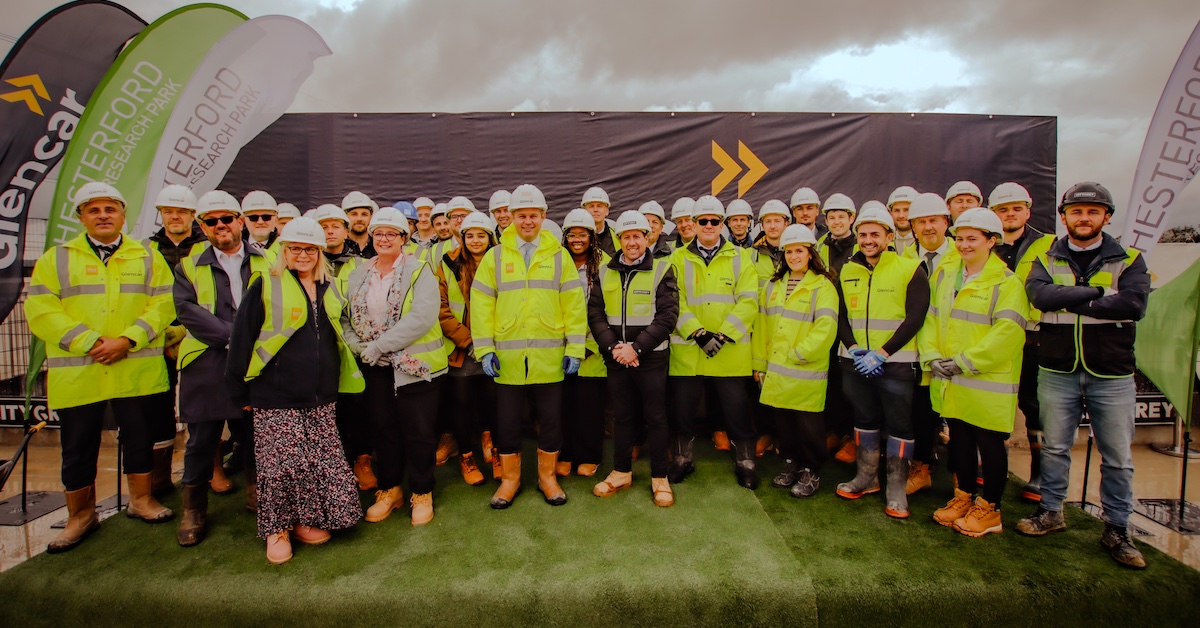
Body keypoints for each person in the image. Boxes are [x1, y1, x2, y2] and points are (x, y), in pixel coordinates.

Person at [26, 182, 177, 553]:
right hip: (81, 371)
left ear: (123, 215)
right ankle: (81, 515)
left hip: (133, 368)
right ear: (81, 217)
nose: (103, 216)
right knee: (77, 444)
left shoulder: (147, 256)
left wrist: (127, 340)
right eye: (93, 210)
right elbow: (41, 311)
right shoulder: (57, 258)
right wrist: (90, 343)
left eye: (110, 209)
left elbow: (164, 303)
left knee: (139, 436)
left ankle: (140, 500)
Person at [1017, 182, 1151, 570]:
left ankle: (1117, 528)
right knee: (1056, 446)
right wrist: (1095, 292)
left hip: (1110, 372)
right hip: (1058, 368)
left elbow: (1133, 303)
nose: (1084, 218)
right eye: (1076, 211)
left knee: (1118, 457)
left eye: (1093, 211)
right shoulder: (1046, 256)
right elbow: (1040, 297)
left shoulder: (1131, 258)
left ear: (1106, 217)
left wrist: (1071, 296)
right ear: (1064, 217)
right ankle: (1051, 512)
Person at [226, 217, 364, 564]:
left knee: (317, 460)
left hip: (321, 393)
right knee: (280, 467)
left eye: (309, 249)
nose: (302, 255)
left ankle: (306, 520)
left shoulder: (330, 287)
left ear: (319, 253)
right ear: (284, 252)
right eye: (295, 249)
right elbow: (241, 339)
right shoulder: (265, 284)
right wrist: (239, 392)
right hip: (275, 393)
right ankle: (277, 530)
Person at [470, 184, 586, 509]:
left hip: (549, 356)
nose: (527, 221)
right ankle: (510, 480)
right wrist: (485, 348)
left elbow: (574, 306)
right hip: (506, 357)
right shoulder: (494, 256)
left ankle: (547, 478)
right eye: (521, 215)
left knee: (551, 419)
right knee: (507, 421)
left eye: (533, 215)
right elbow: (480, 304)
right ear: (510, 218)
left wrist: (575, 348)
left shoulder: (559, 256)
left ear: (543, 216)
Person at [921, 208, 1029, 537]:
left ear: (991, 241)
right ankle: (964, 498)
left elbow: (1009, 333)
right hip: (951, 378)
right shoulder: (944, 275)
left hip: (987, 381)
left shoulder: (1006, 282)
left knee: (990, 444)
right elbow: (930, 318)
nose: (964, 245)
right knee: (960, 440)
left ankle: (990, 510)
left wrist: (964, 362)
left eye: (973, 239)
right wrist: (932, 356)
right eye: (960, 239)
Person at [173, 190, 271, 546]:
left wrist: (248, 344)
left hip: (255, 361)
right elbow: (186, 310)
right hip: (207, 362)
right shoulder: (187, 265)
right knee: (202, 439)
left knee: (256, 433)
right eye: (211, 221)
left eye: (226, 219)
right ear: (202, 226)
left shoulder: (268, 259)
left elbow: (279, 303)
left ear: (240, 222)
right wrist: (233, 338)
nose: (220, 226)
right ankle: (194, 510)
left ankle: (258, 495)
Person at [343, 208, 449, 526]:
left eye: (391, 233)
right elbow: (347, 316)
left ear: (404, 238)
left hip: (413, 366)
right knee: (384, 430)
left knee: (418, 433)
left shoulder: (419, 271)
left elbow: (422, 317)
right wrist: (359, 347)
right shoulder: (360, 273)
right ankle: (390, 490)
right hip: (375, 367)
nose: (384, 238)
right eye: (378, 233)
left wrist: (378, 346)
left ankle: (421, 492)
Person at [833, 206, 928, 519]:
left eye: (875, 234)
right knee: (863, 419)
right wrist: (855, 347)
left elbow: (915, 317)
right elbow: (842, 316)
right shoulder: (847, 270)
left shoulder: (911, 268)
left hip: (896, 365)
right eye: (863, 234)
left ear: (890, 236)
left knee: (900, 424)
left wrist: (883, 352)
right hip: (856, 363)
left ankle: (896, 489)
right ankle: (867, 477)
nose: (868, 240)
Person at [666, 195, 760, 488]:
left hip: (728, 350)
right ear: (692, 224)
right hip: (689, 350)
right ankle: (683, 460)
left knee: (737, 410)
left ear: (723, 224)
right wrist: (697, 332)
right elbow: (671, 301)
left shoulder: (740, 257)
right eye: (702, 220)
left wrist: (723, 334)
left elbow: (749, 301)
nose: (708, 225)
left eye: (714, 221)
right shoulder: (676, 258)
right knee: (683, 410)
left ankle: (745, 462)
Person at [588, 211, 679, 505]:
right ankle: (621, 471)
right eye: (626, 237)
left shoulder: (663, 269)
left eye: (636, 236)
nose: (631, 242)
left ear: (647, 237)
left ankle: (659, 477)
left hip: (650, 359)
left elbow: (668, 317)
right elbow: (595, 315)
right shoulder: (604, 271)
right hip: (617, 358)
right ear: (619, 240)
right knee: (622, 417)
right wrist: (614, 348)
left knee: (655, 417)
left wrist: (635, 348)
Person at [753, 224, 839, 497]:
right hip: (777, 370)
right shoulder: (773, 285)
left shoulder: (822, 286)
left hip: (805, 370)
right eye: (789, 251)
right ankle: (790, 463)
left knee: (809, 425)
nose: (793, 256)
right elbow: (762, 326)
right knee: (784, 423)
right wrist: (759, 363)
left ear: (810, 253)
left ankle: (811, 470)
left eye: (799, 250)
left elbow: (826, 327)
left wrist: (800, 354)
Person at [988, 182, 1055, 502]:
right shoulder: (984, 246)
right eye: (1003, 209)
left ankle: (1040, 473)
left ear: (1028, 210)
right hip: (991, 337)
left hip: (1033, 338)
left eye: (1016, 208)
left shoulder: (1050, 246)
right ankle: (990, 465)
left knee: (1033, 405)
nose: (1010, 214)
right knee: (991, 402)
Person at [144, 184, 207, 496]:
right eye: (169, 211)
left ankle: (209, 470)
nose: (175, 217)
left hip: (198, 337)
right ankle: (159, 478)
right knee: (159, 406)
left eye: (181, 211)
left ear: (192, 215)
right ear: (161, 214)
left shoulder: (207, 247)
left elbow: (210, 297)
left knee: (201, 405)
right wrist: (164, 334)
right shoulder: (145, 250)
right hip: (154, 339)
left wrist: (184, 332)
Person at [900, 192, 958, 494]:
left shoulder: (963, 255)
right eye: (920, 222)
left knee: (959, 417)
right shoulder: (905, 259)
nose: (928, 227)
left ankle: (962, 482)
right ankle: (921, 467)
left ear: (946, 222)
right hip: (916, 346)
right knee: (919, 411)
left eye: (933, 220)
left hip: (954, 349)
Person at [437, 212, 500, 484]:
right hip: (461, 351)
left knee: (494, 404)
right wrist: (469, 341)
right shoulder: (448, 264)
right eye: (470, 235)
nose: (475, 240)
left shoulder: (502, 261)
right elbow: (440, 310)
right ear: (462, 237)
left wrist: (490, 343)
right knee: (461, 406)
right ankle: (466, 457)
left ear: (490, 237)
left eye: (481, 235)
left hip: (495, 347)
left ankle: (496, 451)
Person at [558, 208, 609, 478]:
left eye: (583, 234)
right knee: (563, 406)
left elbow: (607, 310)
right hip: (560, 346)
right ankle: (565, 454)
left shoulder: (607, 264)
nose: (577, 239)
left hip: (594, 348)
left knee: (589, 406)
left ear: (592, 236)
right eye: (572, 234)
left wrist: (588, 343)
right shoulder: (554, 262)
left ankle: (589, 455)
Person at [814, 193, 856, 272]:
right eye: (832, 218)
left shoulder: (860, 246)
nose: (837, 222)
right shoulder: (819, 247)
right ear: (826, 220)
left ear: (851, 218)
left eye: (841, 217)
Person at [582, 186, 619, 256]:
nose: (595, 210)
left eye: (599, 206)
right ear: (584, 210)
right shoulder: (574, 238)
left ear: (607, 211)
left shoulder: (618, 236)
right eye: (591, 206)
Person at [342, 191, 378, 258]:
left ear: (371, 216)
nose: (359, 219)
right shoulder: (339, 247)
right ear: (345, 216)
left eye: (364, 214)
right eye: (354, 214)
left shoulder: (379, 245)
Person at [888, 186, 919, 254]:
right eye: (897, 210)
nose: (901, 215)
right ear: (891, 213)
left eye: (906, 210)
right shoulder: (884, 243)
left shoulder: (926, 242)